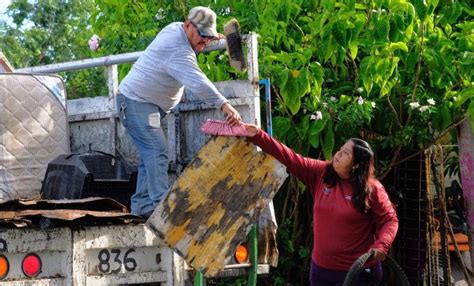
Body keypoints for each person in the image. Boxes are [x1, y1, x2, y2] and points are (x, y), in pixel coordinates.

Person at [116, 6, 242, 218]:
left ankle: (142, 207)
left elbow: (199, 41)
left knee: (151, 157)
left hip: (147, 105)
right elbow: (198, 82)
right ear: (187, 25)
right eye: (202, 37)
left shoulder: (177, 29)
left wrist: (213, 38)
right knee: (157, 151)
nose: (204, 43)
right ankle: (163, 211)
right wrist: (224, 104)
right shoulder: (177, 48)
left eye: (208, 38)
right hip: (136, 103)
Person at [242, 123, 398, 286]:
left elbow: (390, 220)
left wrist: (382, 245)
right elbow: (290, 158)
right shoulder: (322, 173)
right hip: (321, 271)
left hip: (358, 273)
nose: (337, 155)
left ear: (356, 165)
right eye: (340, 149)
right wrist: (258, 135)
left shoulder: (373, 189)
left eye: (345, 154)